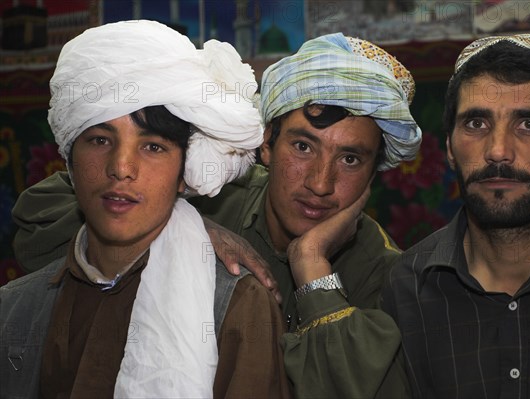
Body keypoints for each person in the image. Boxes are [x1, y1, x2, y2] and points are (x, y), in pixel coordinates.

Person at [10, 33, 422, 397]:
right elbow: (39, 216)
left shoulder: (389, 275)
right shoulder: (213, 186)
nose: (320, 182)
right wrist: (177, 219)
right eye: (302, 147)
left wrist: (313, 267)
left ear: (373, 176)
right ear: (265, 146)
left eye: (350, 159)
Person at [0, 20, 290, 398]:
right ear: (70, 162)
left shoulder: (236, 307)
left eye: (153, 147)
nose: (121, 167)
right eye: (100, 139)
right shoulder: (15, 308)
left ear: (183, 173)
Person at [381, 33, 530, 398]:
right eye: (476, 124)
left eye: (528, 123)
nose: (498, 151)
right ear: (450, 148)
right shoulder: (408, 288)